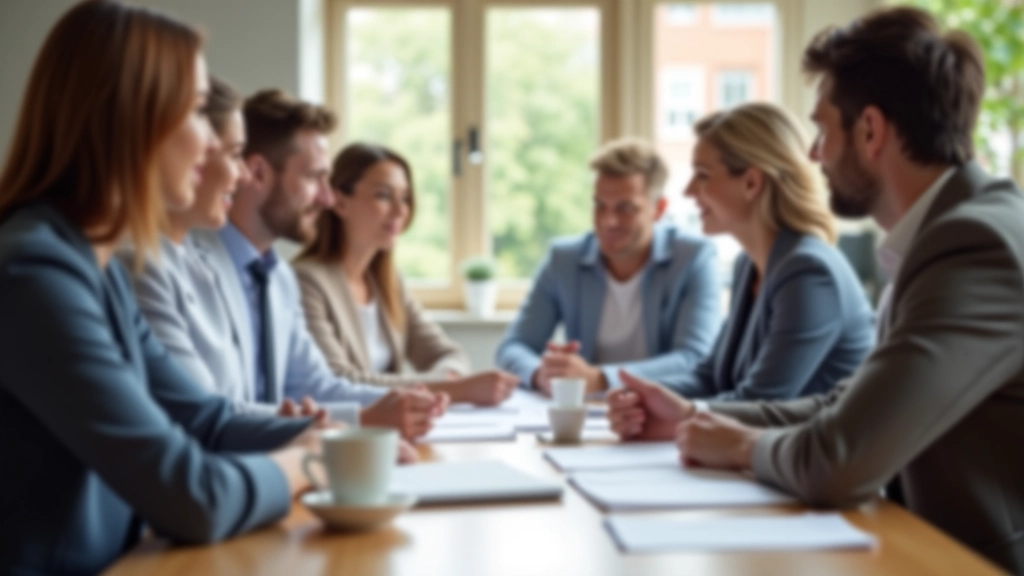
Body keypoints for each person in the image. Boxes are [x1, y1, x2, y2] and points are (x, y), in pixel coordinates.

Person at [608, 7, 1024, 572]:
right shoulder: (942, 232)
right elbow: (847, 406)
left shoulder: (974, 244)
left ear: (872, 131)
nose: (813, 154)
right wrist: (690, 418)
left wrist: (739, 446)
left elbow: (839, 459)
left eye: (824, 130)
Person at [0, 2, 322, 573]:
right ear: (131, 118)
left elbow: (206, 419)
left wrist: (328, 433)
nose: (211, 144)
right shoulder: (33, 275)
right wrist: (309, 462)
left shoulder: (95, 270)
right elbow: (193, 497)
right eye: (198, 112)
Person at [190, 89, 446, 439]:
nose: (327, 198)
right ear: (259, 173)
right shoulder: (186, 268)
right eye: (313, 178)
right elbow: (208, 411)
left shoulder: (279, 278)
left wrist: (407, 401)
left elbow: (314, 386)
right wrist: (364, 418)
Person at [661, 102, 874, 400]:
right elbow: (711, 378)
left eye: (703, 175)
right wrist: (639, 398)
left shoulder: (810, 273)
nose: (688, 191)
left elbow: (761, 402)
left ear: (751, 182)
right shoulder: (748, 265)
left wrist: (674, 414)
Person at [294, 143, 519, 406]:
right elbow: (338, 382)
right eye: (384, 196)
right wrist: (454, 389)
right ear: (340, 202)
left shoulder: (386, 281)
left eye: (405, 198)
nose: (401, 211)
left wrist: (447, 379)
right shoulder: (306, 281)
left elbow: (448, 353)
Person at [496, 138, 721, 395]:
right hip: (587, 412)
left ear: (659, 209)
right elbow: (513, 346)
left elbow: (695, 358)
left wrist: (602, 378)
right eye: (600, 205)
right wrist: (542, 374)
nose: (608, 221)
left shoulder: (693, 258)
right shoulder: (564, 260)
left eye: (625, 208)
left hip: (659, 413)